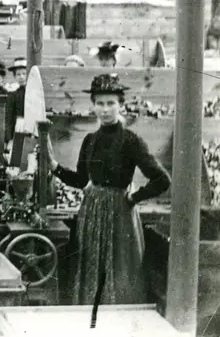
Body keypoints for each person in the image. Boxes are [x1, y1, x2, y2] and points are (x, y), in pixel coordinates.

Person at [47, 74, 170, 305]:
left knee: (119, 271)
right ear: (93, 105)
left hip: (119, 215)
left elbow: (162, 180)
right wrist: (55, 168)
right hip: (91, 213)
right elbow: (81, 179)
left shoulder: (131, 140)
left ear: (120, 105)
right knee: (92, 270)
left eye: (110, 103)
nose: (105, 109)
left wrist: (133, 198)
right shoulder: (89, 140)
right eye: (100, 103)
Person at [3, 58, 28, 146]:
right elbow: (8, 118)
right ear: (14, 77)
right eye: (18, 74)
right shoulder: (12, 95)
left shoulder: (34, 92)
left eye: (24, 74)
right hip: (18, 129)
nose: (21, 77)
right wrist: (9, 139)